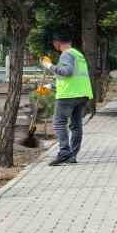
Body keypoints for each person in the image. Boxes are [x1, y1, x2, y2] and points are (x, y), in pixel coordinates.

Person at [41, 32, 94, 166]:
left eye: (54, 44)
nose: (54, 46)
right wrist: (49, 86)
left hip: (68, 96)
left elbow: (67, 72)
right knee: (76, 125)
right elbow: (70, 78)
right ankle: (72, 155)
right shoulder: (78, 54)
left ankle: (64, 152)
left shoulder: (66, 54)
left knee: (59, 123)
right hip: (82, 94)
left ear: (57, 42)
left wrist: (48, 65)